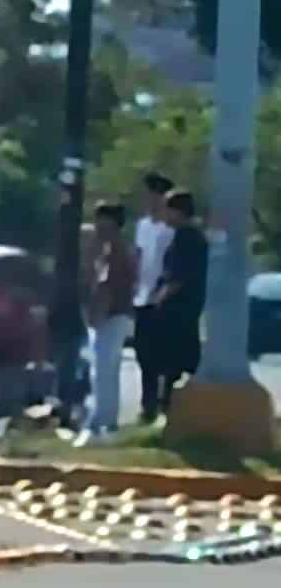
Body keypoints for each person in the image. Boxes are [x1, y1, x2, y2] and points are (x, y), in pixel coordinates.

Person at [74, 202, 136, 447]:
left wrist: (98, 314)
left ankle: (100, 423)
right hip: (112, 315)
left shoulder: (115, 251)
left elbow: (107, 287)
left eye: (101, 219)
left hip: (110, 316)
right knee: (105, 371)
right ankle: (105, 422)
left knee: (102, 372)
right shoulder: (109, 249)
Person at [153, 188, 209, 410]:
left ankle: (172, 406)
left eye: (167, 209)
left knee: (176, 360)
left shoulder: (187, 237)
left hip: (180, 308)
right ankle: (173, 404)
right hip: (185, 307)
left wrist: (161, 297)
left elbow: (180, 275)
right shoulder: (187, 236)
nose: (164, 215)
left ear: (178, 211)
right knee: (182, 359)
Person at [132, 172, 175, 422]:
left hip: (162, 298)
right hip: (142, 296)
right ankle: (148, 403)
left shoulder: (170, 230)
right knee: (143, 353)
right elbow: (139, 256)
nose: (149, 200)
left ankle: (165, 402)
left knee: (163, 353)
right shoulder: (143, 226)